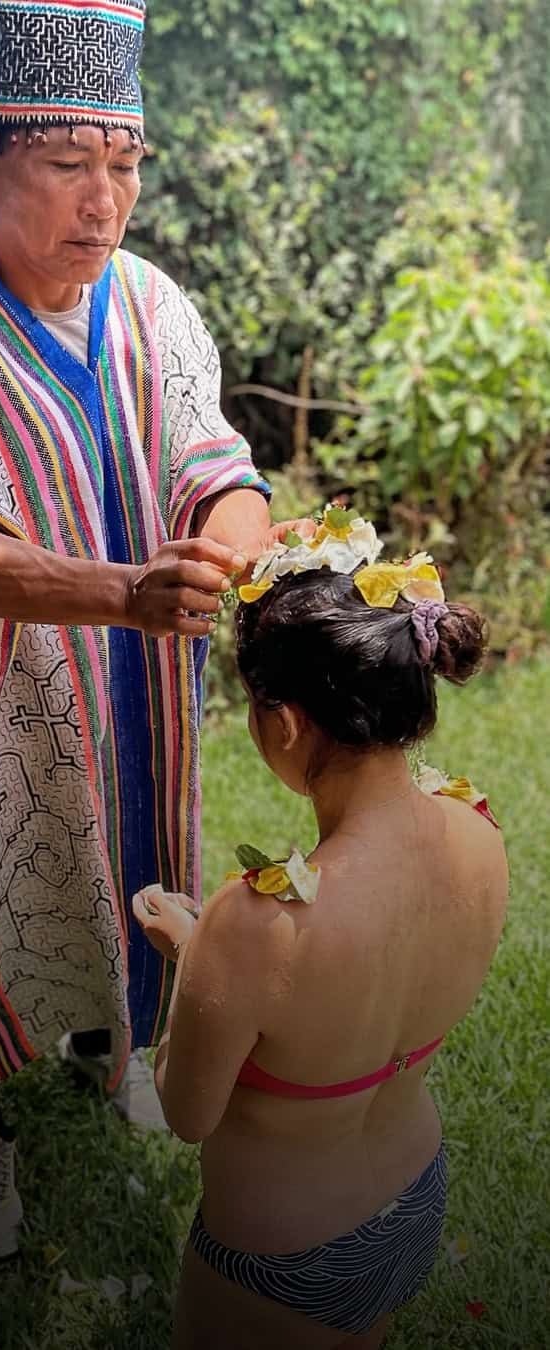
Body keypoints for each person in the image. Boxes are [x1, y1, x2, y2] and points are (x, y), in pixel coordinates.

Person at [0, 0, 311, 1261]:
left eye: (124, 164)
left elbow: (216, 459)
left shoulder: (144, 301)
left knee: (114, 860)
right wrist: (121, 595)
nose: (103, 204)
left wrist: (233, 547)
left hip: (129, 696)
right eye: (65, 164)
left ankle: (108, 1052)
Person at [134, 507, 509, 1350]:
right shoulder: (481, 834)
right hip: (413, 1196)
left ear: (289, 722)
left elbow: (186, 1112)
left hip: (280, 1250)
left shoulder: (256, 923)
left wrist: (199, 962)